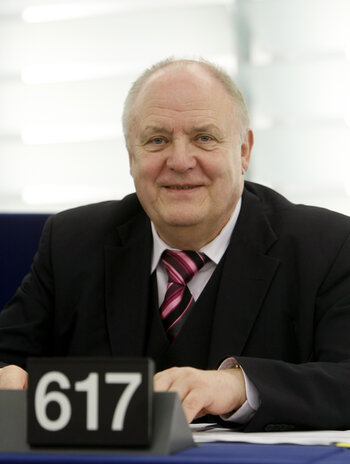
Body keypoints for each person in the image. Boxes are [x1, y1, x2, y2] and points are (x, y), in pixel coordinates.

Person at [0, 58, 350, 432]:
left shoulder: (327, 245)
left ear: (244, 151)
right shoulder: (71, 242)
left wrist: (238, 385)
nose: (180, 161)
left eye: (204, 137)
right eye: (157, 140)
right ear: (131, 156)